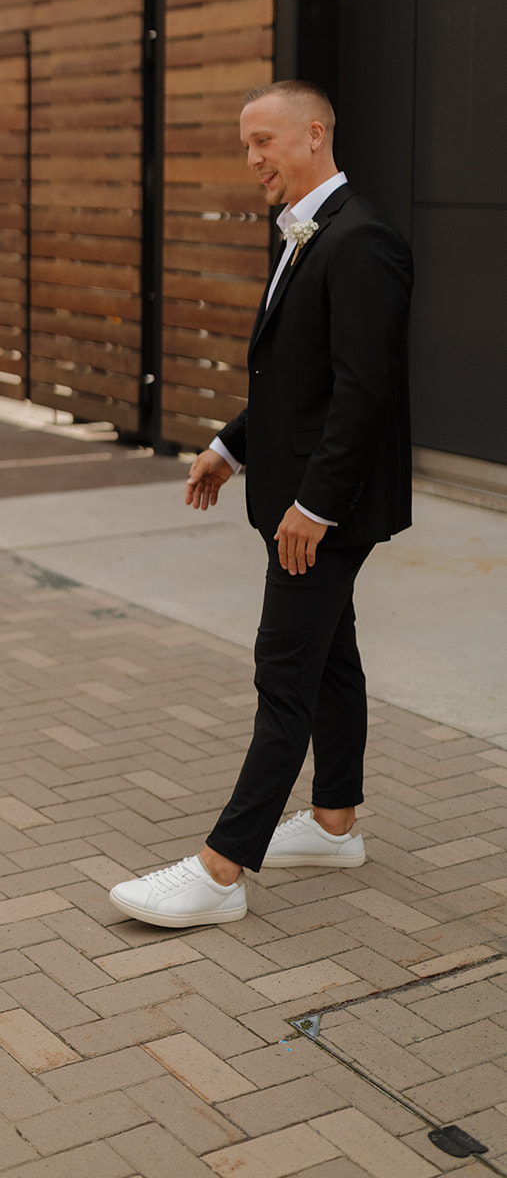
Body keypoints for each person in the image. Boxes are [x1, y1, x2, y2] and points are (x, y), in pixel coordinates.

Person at [110, 80, 413, 928]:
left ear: (314, 134)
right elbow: (292, 377)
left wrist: (315, 506)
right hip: (302, 493)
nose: (251, 159)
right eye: (245, 144)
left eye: (262, 141)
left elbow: (361, 391)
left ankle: (219, 871)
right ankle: (333, 822)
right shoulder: (304, 232)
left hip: (327, 509)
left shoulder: (361, 239)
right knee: (328, 657)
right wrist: (229, 446)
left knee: (283, 671)